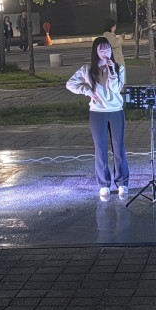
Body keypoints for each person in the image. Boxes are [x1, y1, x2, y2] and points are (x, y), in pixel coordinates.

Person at [66, 37, 130, 199]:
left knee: (119, 147)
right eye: (101, 49)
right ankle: (104, 184)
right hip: (97, 112)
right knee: (100, 148)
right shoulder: (87, 69)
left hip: (116, 110)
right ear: (95, 51)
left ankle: (122, 183)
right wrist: (87, 91)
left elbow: (116, 89)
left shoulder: (119, 68)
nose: (105, 52)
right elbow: (70, 84)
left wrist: (112, 70)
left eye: (107, 49)